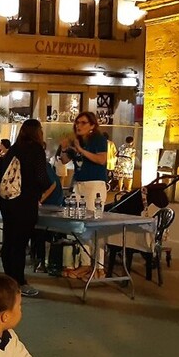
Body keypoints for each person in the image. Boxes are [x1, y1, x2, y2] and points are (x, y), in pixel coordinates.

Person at [0, 119, 52, 297]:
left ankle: (8, 278)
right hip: (25, 202)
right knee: (20, 243)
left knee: (9, 239)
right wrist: (44, 188)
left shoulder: (13, 149)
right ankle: (18, 281)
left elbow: (0, 173)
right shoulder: (36, 150)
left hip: (7, 201)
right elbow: (42, 177)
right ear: (37, 132)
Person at [69, 112, 108, 279]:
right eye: (77, 122)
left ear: (92, 125)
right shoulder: (77, 141)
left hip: (94, 185)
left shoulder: (98, 140)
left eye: (84, 123)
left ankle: (99, 266)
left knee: (93, 224)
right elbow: (64, 160)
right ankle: (85, 264)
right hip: (79, 184)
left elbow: (101, 160)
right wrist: (65, 148)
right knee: (80, 225)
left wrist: (81, 150)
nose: (79, 125)